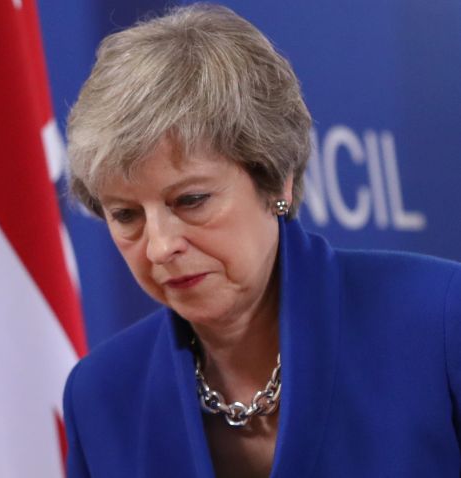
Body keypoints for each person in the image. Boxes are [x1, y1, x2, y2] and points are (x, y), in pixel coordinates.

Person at [62, 4, 461, 477]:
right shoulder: (101, 395)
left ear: (278, 181)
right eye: (126, 215)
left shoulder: (439, 319)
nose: (159, 246)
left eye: (191, 200)